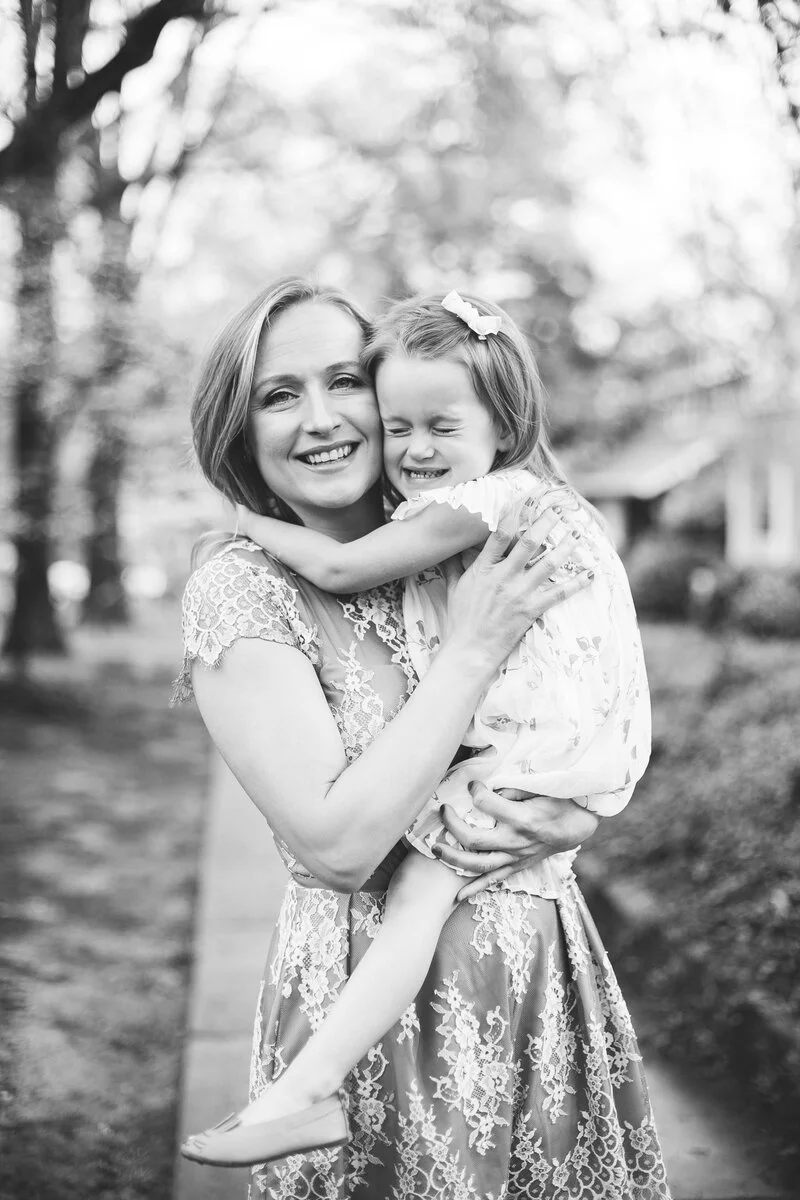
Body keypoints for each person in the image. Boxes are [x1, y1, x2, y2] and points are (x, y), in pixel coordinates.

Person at [174, 277, 672, 1198]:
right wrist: (474, 648)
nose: (322, 418)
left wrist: (571, 823)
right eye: (280, 395)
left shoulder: (457, 550)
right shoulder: (246, 588)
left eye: (343, 380)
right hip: (373, 1007)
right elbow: (337, 848)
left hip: (536, 974)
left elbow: (578, 689)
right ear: (238, 430)